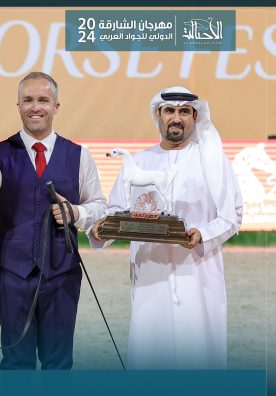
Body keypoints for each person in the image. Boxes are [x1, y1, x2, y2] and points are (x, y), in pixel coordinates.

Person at [0, 72, 106, 370]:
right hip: (12, 275)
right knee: (16, 363)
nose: (35, 107)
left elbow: (99, 206)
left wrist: (76, 213)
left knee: (58, 363)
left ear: (56, 106)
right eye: (28, 100)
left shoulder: (80, 155)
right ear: (19, 105)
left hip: (62, 275)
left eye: (43, 100)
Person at [90, 86, 243, 370]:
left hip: (197, 275)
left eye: (184, 111)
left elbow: (233, 215)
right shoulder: (140, 161)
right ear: (158, 115)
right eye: (170, 111)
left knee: (200, 359)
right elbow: (116, 210)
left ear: (195, 117)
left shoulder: (213, 162)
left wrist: (203, 235)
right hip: (151, 277)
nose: (176, 118)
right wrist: (101, 230)